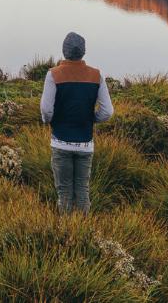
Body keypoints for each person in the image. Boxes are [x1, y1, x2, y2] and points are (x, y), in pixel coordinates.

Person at [39, 31, 113, 213]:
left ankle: (66, 235)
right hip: (85, 144)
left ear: (64, 51)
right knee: (82, 191)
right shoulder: (96, 76)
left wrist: (48, 121)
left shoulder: (53, 75)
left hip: (60, 142)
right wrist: (91, 119)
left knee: (64, 192)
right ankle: (83, 233)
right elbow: (107, 112)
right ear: (83, 52)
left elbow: (46, 110)